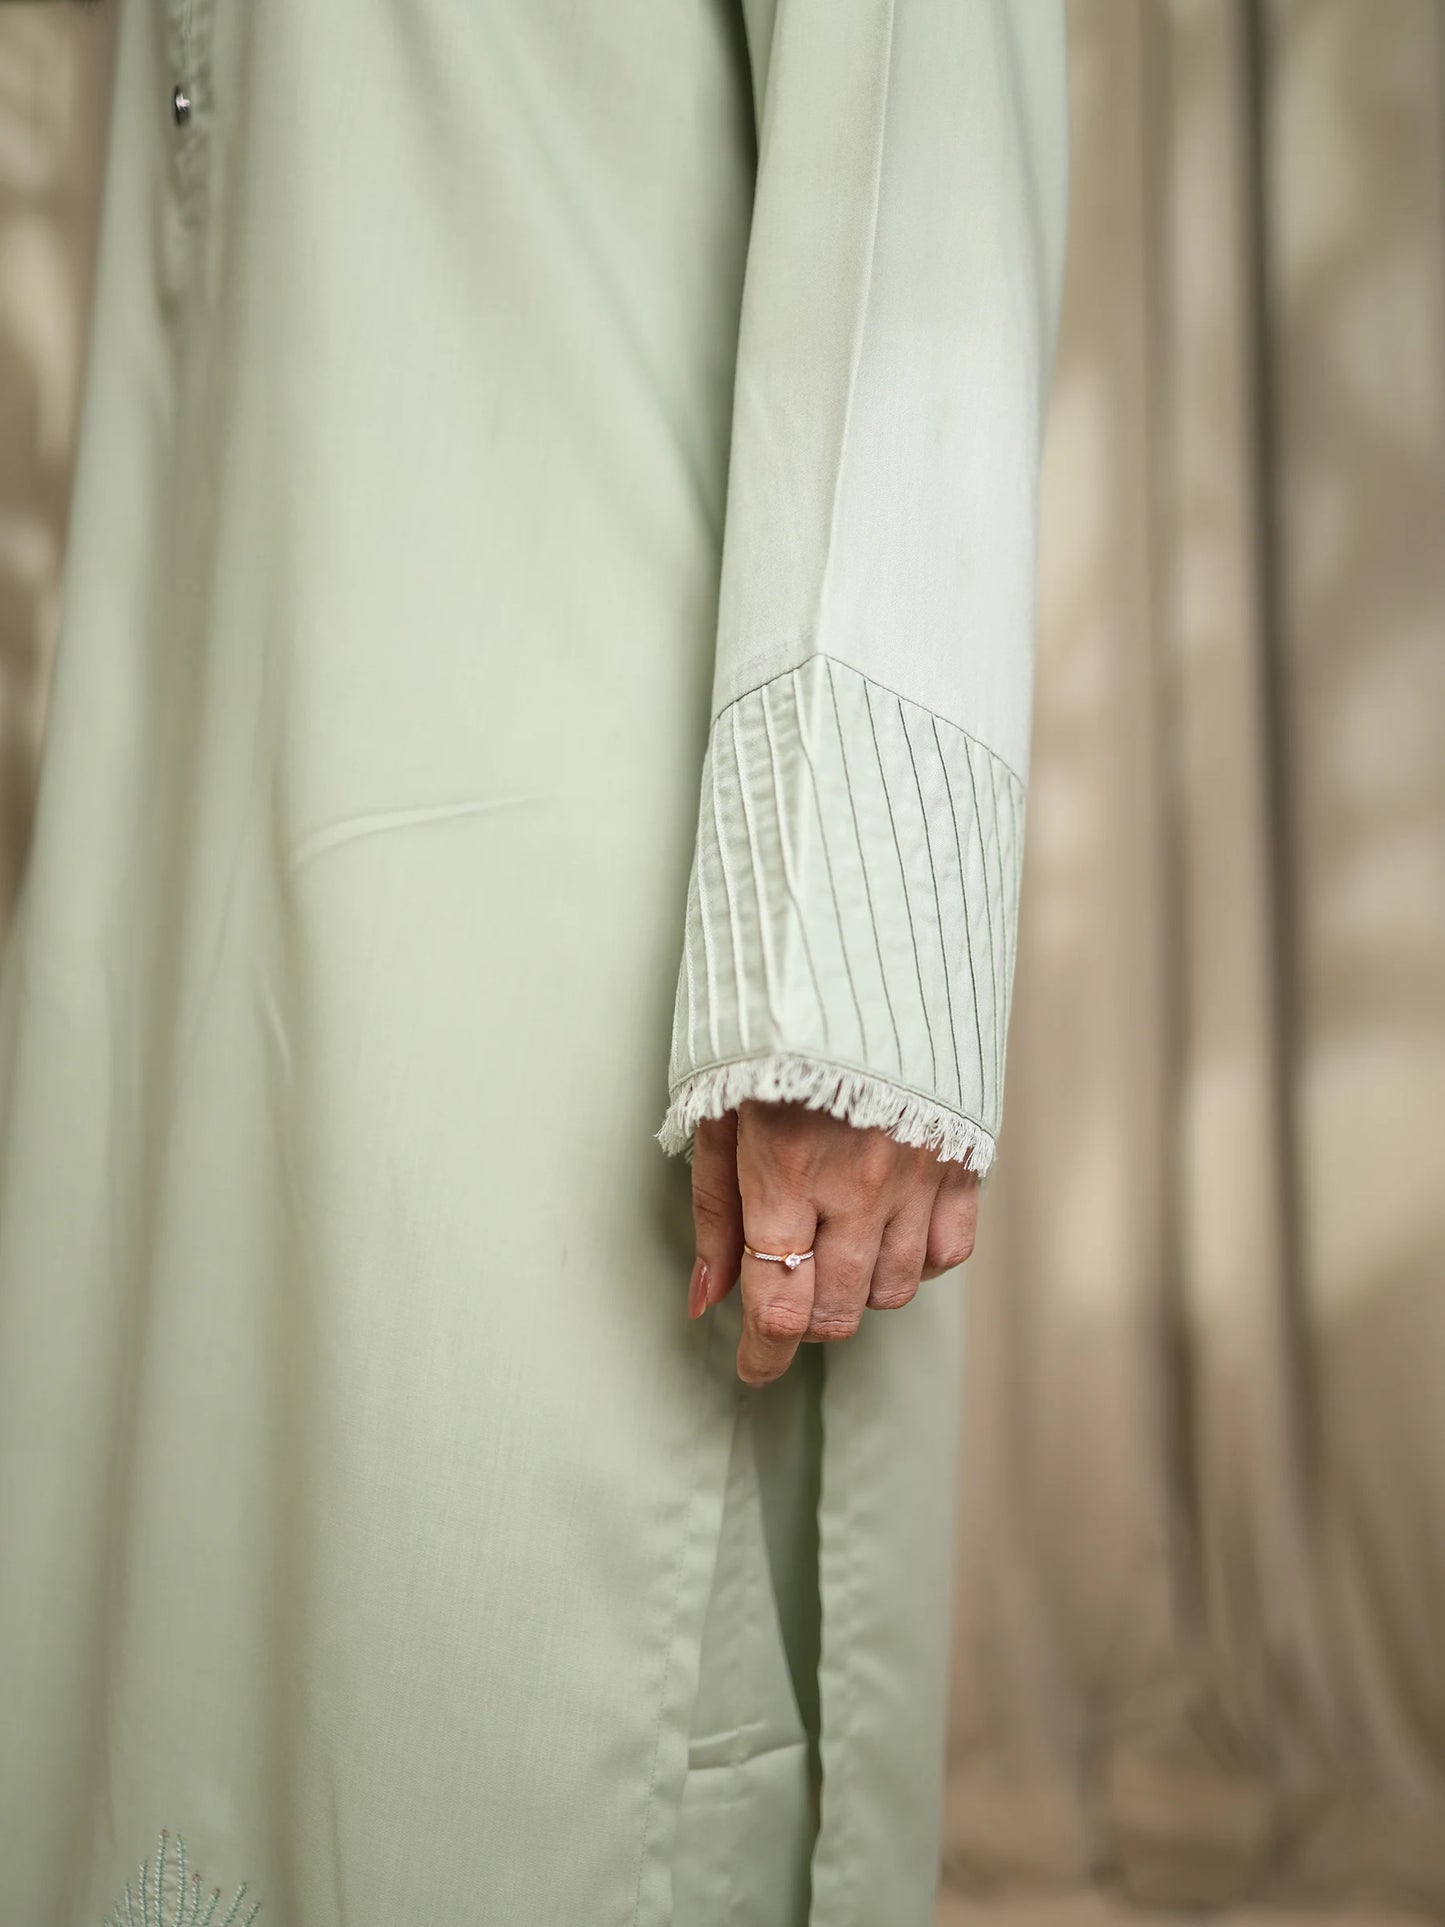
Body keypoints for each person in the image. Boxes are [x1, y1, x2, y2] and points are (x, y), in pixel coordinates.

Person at [0, 1, 1069, 1921]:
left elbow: (917, 132)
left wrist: (843, 965)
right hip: (195, 807)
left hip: (586, 921)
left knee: (497, 1726)